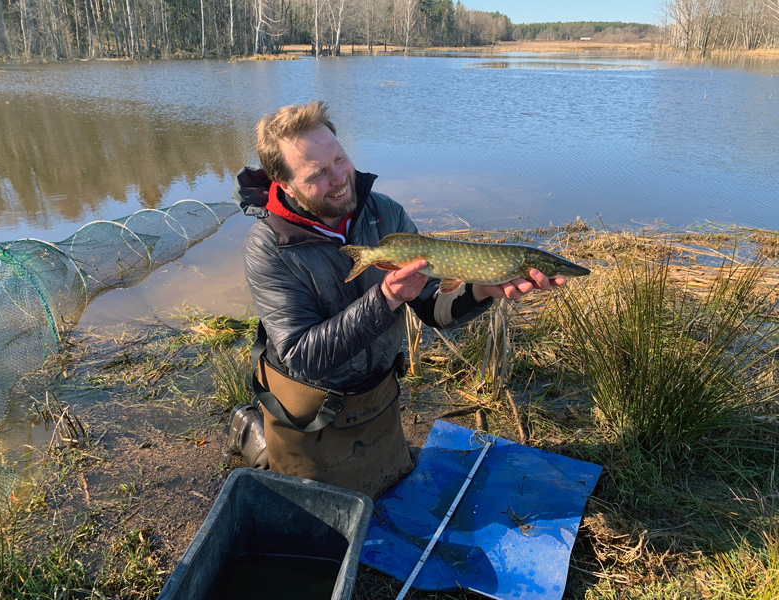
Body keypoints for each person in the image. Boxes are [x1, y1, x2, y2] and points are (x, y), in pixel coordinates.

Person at [230, 100, 563, 500]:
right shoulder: (268, 247)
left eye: (340, 158)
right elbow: (301, 356)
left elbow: (431, 307)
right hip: (307, 406)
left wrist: (481, 290)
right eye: (318, 173)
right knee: (311, 507)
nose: (340, 178)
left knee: (388, 482)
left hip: (376, 394)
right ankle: (252, 432)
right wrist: (385, 298)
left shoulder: (384, 214)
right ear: (283, 185)